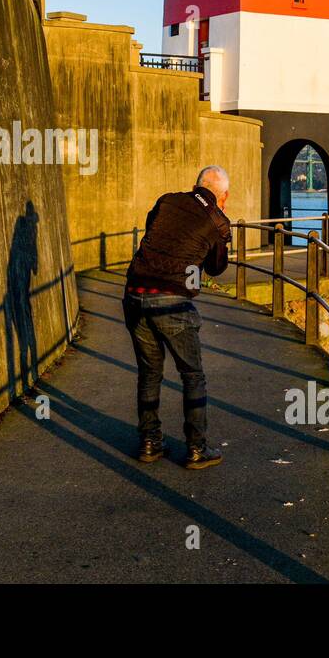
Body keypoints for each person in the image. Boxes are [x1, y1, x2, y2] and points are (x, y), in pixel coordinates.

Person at [122, 166, 233, 469]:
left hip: (134, 292)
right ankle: (197, 449)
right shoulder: (218, 221)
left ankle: (148, 443)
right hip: (172, 300)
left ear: (196, 185)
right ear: (223, 196)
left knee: (149, 373)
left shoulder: (167, 200)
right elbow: (216, 268)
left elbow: (152, 230)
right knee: (192, 375)